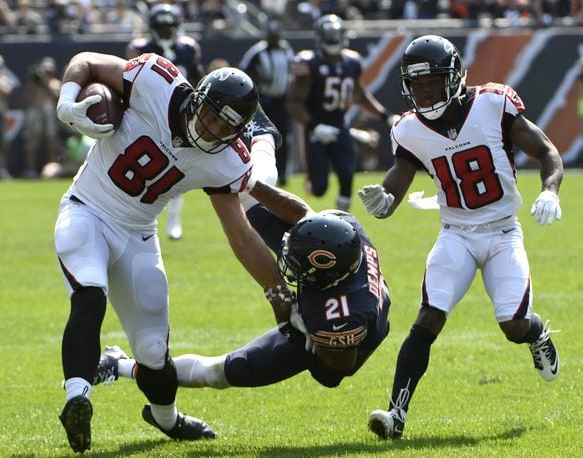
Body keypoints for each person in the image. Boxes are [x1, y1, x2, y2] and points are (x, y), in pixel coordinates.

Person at [54, 52, 296, 453]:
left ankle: (166, 419)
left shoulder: (224, 159)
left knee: (152, 350)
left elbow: (241, 234)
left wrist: (277, 291)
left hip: (139, 233)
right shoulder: (156, 80)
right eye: (213, 115)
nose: (214, 128)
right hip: (86, 209)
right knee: (89, 294)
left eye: (226, 126)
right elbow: (85, 62)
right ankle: (77, 398)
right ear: (198, 98)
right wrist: (67, 100)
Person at [357, 35, 562, 440]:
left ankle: (536, 333)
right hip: (456, 233)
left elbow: (547, 152)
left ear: (453, 77)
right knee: (428, 317)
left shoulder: (492, 103)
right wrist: (385, 200)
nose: (426, 91)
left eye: (433, 82)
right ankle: (396, 414)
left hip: (503, 232)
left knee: (512, 323)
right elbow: (397, 181)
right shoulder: (409, 129)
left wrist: (550, 190)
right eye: (417, 85)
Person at [93, 209, 391, 399]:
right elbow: (301, 212)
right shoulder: (345, 232)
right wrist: (251, 184)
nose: (289, 266)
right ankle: (118, 365)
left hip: (332, 355)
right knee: (260, 215)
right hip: (338, 314)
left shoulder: (340, 317)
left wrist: (293, 325)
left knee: (217, 374)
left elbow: (334, 370)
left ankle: (119, 365)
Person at [286, 14, 396, 211]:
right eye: (329, 38)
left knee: (347, 176)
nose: (333, 42)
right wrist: (314, 126)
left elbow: (360, 96)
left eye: (335, 38)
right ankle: (350, 137)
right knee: (319, 188)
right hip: (315, 129)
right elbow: (294, 103)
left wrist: (385, 116)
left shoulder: (351, 63)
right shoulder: (309, 63)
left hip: (339, 125)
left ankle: (342, 221)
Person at [126, 3, 205, 240]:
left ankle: (173, 220)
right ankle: (138, 219)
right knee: (142, 167)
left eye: (169, 26)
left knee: (177, 169)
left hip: (178, 117)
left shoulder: (188, 49)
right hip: (148, 114)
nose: (165, 31)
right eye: (160, 27)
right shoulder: (140, 48)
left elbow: (198, 80)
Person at [239, 18, 294, 186]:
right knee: (260, 136)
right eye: (272, 36)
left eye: (276, 36)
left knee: (283, 137)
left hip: (282, 100)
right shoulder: (257, 52)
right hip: (265, 101)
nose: (274, 39)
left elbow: (292, 70)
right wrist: (260, 81)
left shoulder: (287, 50)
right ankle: (254, 171)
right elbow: (243, 75)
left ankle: (283, 173)